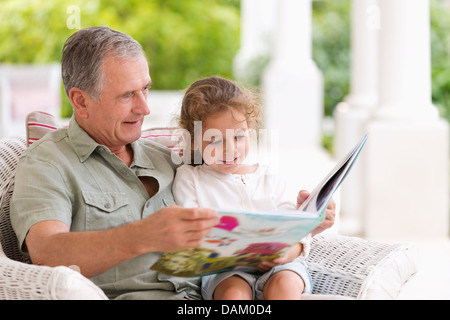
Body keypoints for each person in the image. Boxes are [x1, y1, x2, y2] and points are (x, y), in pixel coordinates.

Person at [10, 27, 335, 300]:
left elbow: (238, 186)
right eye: (127, 96)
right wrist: (140, 236)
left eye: (146, 90)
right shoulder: (48, 162)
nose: (144, 108)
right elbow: (47, 251)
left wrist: (305, 221)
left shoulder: (168, 155)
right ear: (81, 101)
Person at [173, 76, 336, 300]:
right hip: (226, 270)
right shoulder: (191, 178)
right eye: (215, 141)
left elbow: (293, 227)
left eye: (238, 137)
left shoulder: (267, 176)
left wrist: (294, 244)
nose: (230, 150)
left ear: (249, 128)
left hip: (280, 265)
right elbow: (192, 233)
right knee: (232, 294)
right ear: (192, 140)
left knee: (285, 286)